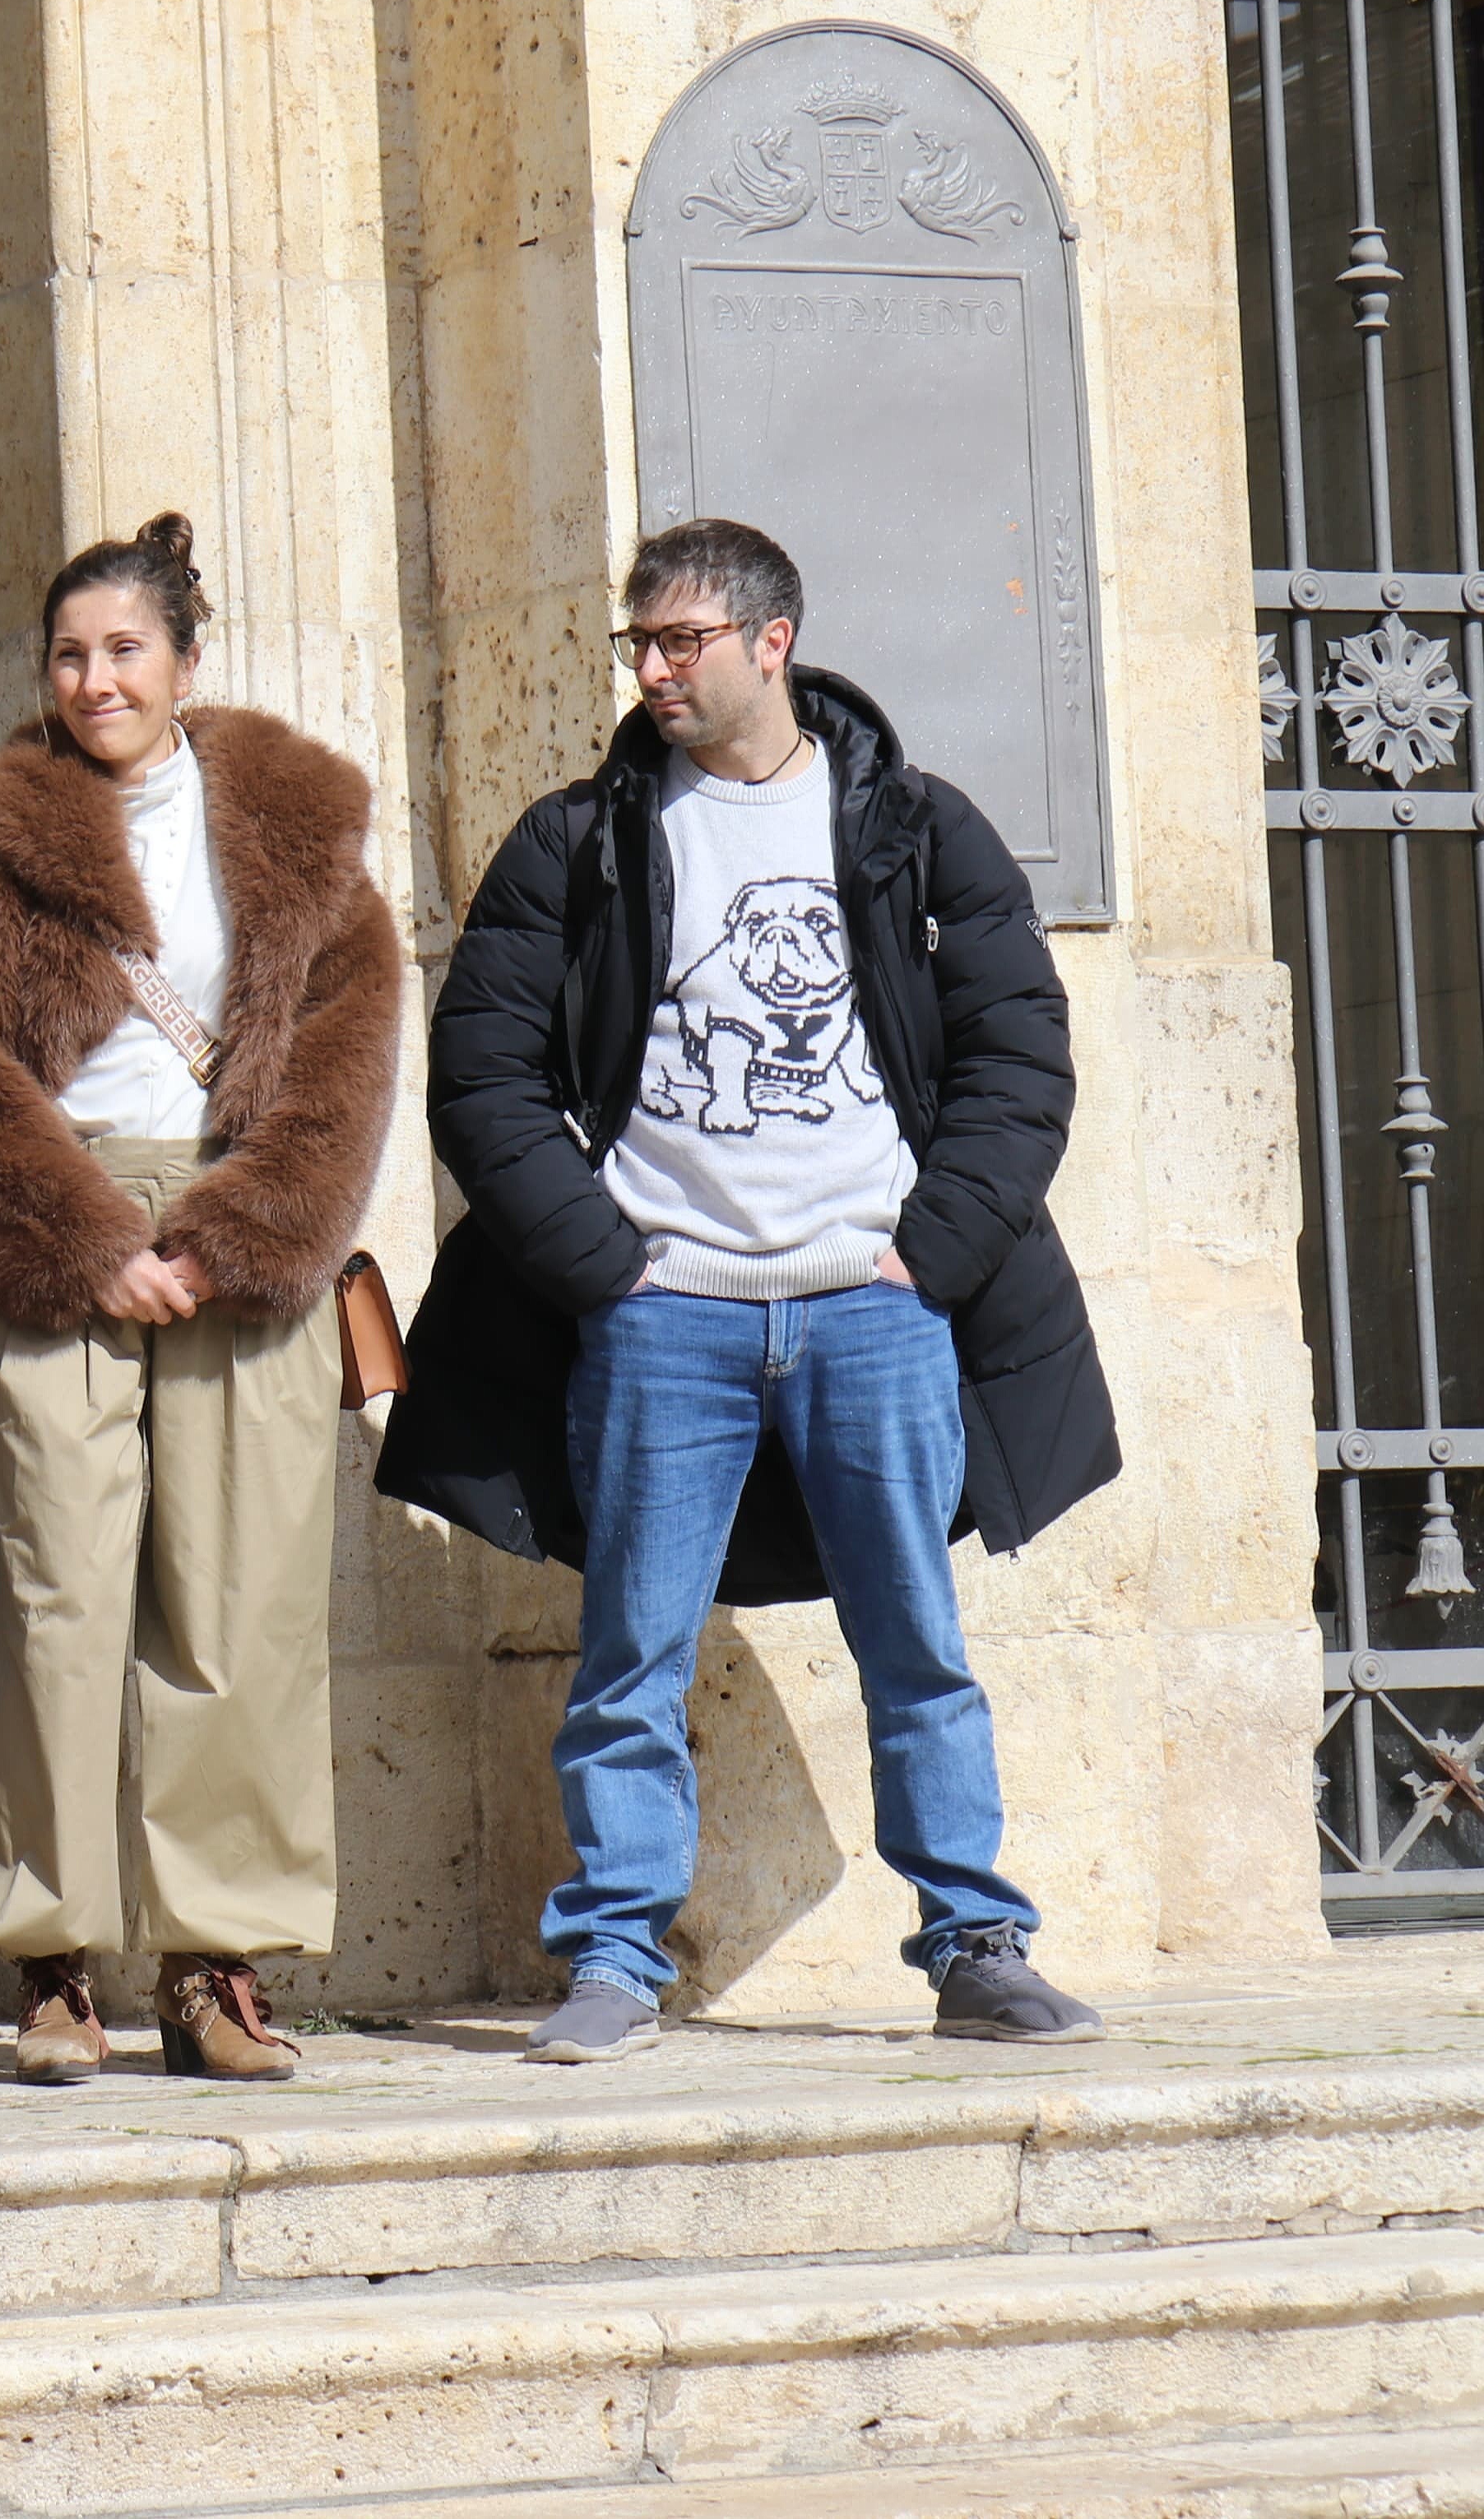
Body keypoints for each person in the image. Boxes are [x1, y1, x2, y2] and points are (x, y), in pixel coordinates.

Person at [380, 517, 1118, 2062]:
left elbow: (1019, 1055)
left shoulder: (915, 827)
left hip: (873, 1301)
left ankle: (977, 1940)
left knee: (916, 1642)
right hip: (664, 1314)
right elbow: (482, 1076)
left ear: (771, 641)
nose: (652, 668)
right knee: (631, 1648)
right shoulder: (575, 841)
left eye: (680, 641)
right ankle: (613, 1958)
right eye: (636, 644)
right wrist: (607, 1268)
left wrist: (936, 1251)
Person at [0, 514, 401, 2084]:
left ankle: (213, 1966)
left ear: (187, 661)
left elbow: (354, 1035)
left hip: (241, 1226)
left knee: (240, 1606)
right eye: (70, 654)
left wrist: (244, 1227)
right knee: (59, 1601)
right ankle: (49, 1961)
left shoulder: (299, 826)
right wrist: (81, 1232)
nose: (95, 678)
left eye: (124, 650)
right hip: (60, 1221)